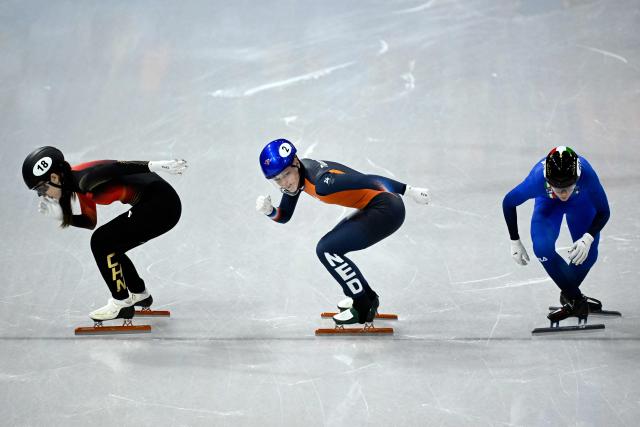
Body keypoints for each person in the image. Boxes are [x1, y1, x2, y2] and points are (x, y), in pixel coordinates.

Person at [256, 138, 431, 325]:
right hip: (374, 206)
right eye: (277, 179)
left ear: (296, 163)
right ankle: (367, 298)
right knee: (328, 248)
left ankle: (363, 307)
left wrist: (409, 190)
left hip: (387, 210)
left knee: (327, 249)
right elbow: (284, 216)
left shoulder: (322, 182)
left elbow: (369, 180)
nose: (284, 183)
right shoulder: (297, 176)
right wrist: (270, 211)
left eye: (286, 175)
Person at [22, 146, 187, 322]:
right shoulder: (76, 182)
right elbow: (89, 221)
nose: (42, 195)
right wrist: (63, 216)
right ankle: (139, 293)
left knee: (101, 241)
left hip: (162, 206)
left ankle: (121, 302)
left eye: (41, 188)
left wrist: (159, 165)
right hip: (156, 204)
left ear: (54, 177)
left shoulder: (85, 178)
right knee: (110, 244)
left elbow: (118, 166)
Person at [502, 146, 610, 323]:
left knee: (588, 255)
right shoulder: (536, 179)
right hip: (548, 204)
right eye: (558, 188)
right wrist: (515, 240)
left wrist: (588, 238)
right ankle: (576, 300)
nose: (564, 194)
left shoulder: (587, 175)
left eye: (568, 187)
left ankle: (572, 297)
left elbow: (604, 211)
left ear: (578, 177)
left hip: (581, 204)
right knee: (542, 248)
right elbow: (508, 203)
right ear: (547, 180)